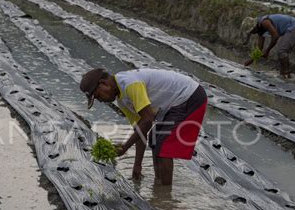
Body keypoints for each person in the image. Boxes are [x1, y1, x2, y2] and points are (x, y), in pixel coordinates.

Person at [80, 68, 208, 186]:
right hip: (174, 104)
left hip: (189, 96)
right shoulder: (122, 100)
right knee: (155, 139)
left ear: (103, 84)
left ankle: (165, 195)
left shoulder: (130, 84)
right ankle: (159, 184)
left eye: (98, 96)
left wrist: (124, 148)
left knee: (163, 145)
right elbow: (140, 129)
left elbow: (147, 120)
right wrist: (137, 165)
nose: (100, 100)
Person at [241, 14, 295, 78]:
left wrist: (267, 51)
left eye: (252, 31)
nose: (253, 33)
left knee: (282, 51)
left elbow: (275, 36)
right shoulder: (260, 29)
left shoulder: (265, 22)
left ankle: (286, 74)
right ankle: (283, 74)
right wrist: (251, 60)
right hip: (289, 28)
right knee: (281, 51)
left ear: (254, 27)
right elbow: (260, 48)